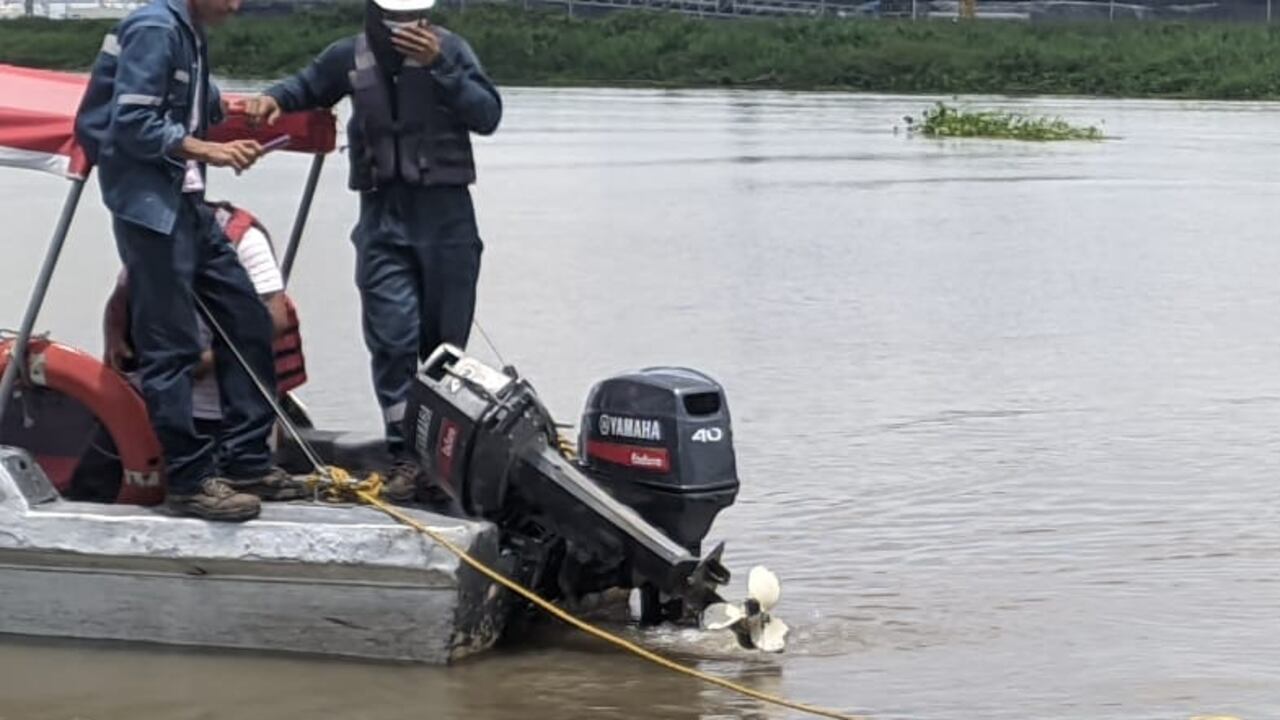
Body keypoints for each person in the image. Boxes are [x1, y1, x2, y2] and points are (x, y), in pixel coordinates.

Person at [242, 0, 502, 502]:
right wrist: (272, 99)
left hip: (447, 222)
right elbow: (305, 86)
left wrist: (440, 66)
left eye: (414, 16)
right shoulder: (348, 56)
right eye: (395, 17)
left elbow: (488, 114)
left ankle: (439, 461)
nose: (406, 26)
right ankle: (404, 455)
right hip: (382, 222)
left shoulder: (452, 51)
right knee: (392, 340)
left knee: (444, 353)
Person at [74, 0, 306, 521]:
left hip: (186, 204)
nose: (237, 5)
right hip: (151, 210)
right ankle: (190, 480)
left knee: (248, 320)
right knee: (171, 346)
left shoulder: (188, 31)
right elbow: (132, 123)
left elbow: (201, 104)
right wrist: (210, 150)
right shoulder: (156, 27)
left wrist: (248, 108)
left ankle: (246, 461)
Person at [103, 200, 308, 437]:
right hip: (154, 399)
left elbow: (274, 320)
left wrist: (206, 361)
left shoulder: (244, 240)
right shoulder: (149, 234)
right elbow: (121, 296)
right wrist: (115, 338)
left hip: (227, 405)